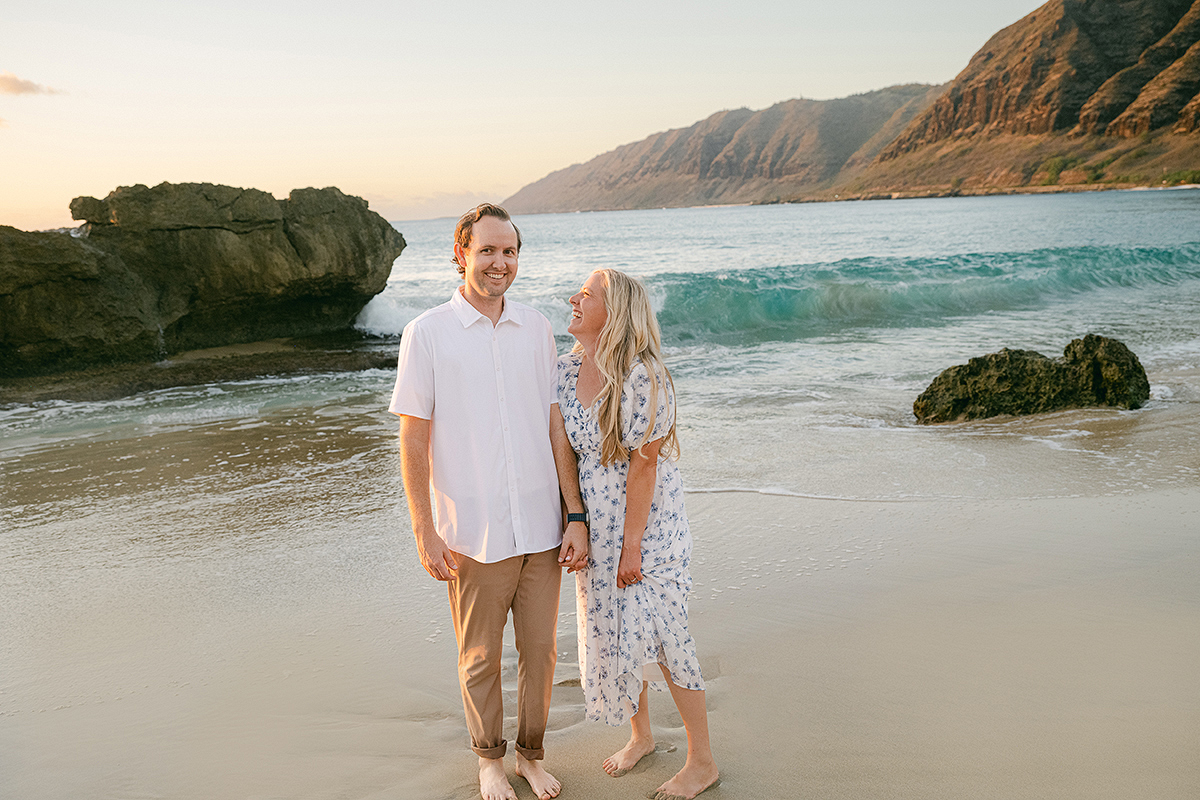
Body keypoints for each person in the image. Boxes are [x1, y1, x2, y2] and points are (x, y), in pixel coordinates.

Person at [389, 203, 589, 800]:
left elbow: (556, 425)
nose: (499, 263)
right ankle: (489, 761)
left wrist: (573, 513)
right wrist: (424, 529)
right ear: (461, 254)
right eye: (488, 251)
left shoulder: (537, 327)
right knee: (480, 656)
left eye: (509, 251)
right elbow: (413, 435)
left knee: (543, 653)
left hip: (542, 527)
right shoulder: (427, 333)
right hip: (472, 529)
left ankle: (531, 755)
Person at [557, 268, 720, 800]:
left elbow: (643, 466)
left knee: (668, 635)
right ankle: (642, 736)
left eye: (588, 295)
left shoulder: (643, 375)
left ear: (616, 312)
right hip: (597, 527)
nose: (574, 300)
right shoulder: (564, 369)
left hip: (649, 528)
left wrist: (631, 546)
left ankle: (702, 761)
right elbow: (564, 451)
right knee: (616, 630)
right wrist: (575, 520)